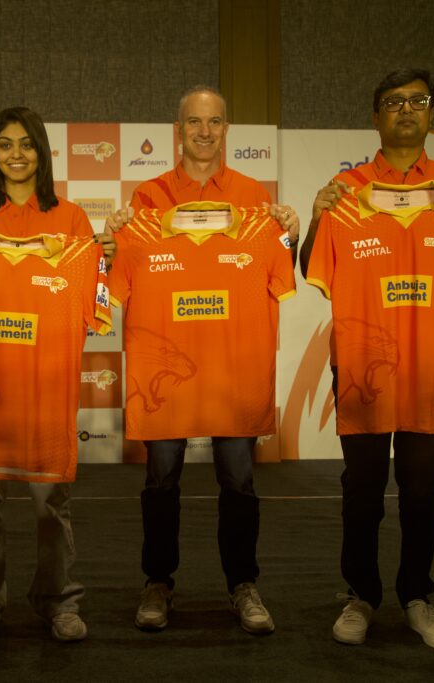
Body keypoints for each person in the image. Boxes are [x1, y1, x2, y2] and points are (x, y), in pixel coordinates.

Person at [300, 68, 434, 651]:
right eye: (394, 102)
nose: (406, 110)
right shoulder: (346, 193)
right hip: (366, 367)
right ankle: (361, 596)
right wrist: (318, 217)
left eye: (418, 101)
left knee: (422, 487)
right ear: (375, 116)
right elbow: (309, 266)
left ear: (432, 114)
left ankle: (418, 595)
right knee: (362, 486)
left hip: (433, 367)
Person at [105, 86, 299, 635]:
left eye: (214, 122)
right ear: (178, 129)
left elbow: (280, 268)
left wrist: (290, 234)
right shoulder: (146, 199)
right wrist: (112, 242)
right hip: (164, 370)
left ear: (226, 129)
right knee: (161, 480)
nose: (205, 132)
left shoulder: (254, 198)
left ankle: (243, 584)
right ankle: (157, 583)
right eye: (195, 122)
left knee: (238, 482)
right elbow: (119, 278)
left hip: (231, 368)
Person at [0, 106, 108, 643]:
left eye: (27, 144)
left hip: (44, 388)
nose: (16, 155)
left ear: (43, 152)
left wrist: (102, 257)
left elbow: (94, 299)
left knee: (48, 502)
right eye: (5, 145)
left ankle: (58, 600)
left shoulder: (73, 221)